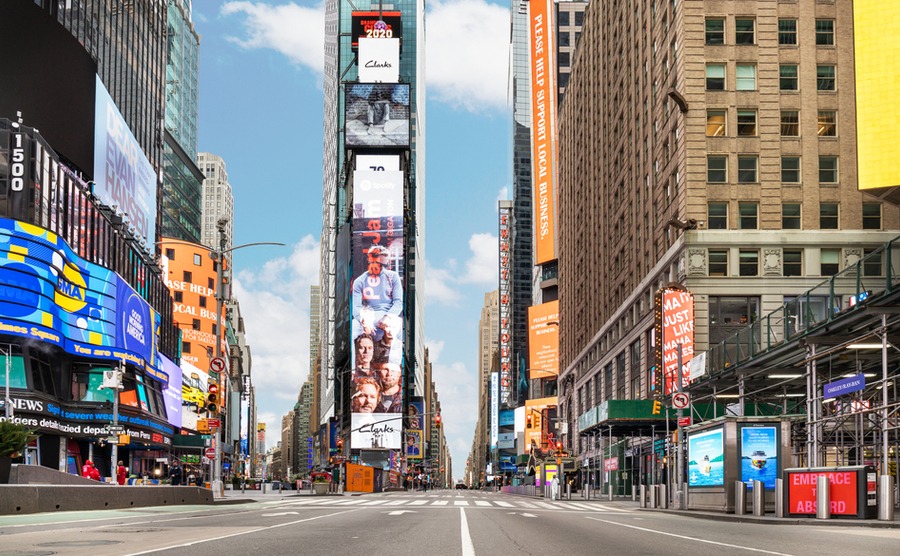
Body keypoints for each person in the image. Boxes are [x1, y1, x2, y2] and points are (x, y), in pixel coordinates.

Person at [352, 245, 402, 336]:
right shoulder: (359, 281)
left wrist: (389, 316)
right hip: (368, 315)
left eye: (383, 265)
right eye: (377, 263)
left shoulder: (393, 277)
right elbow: (356, 307)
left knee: (400, 327)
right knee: (354, 327)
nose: (379, 267)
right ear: (369, 260)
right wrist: (364, 320)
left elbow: (399, 302)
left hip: (388, 314)